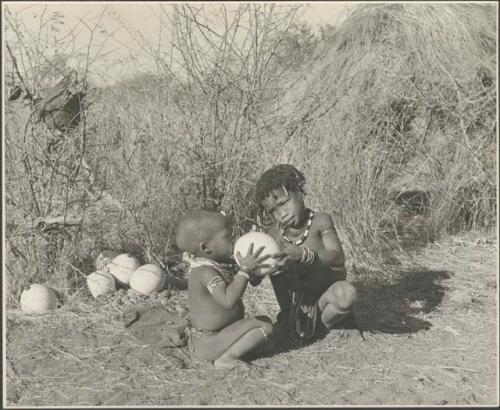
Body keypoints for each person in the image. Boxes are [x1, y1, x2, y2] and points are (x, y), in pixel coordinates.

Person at [253, 164, 362, 343]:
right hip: (294, 311)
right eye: (273, 210)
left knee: (346, 293)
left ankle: (327, 325)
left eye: (283, 203)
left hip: (325, 303)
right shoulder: (272, 235)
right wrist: (254, 270)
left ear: (299, 192)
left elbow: (337, 257)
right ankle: (303, 326)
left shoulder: (320, 221)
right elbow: (258, 276)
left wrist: (305, 255)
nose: (281, 213)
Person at [175, 209, 274, 369]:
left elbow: (245, 282)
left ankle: (233, 349)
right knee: (265, 325)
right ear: (206, 247)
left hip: (217, 336)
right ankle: (227, 358)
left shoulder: (217, 264)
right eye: (227, 236)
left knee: (265, 338)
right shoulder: (205, 272)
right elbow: (228, 301)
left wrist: (258, 271)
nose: (233, 239)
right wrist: (244, 271)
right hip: (209, 342)